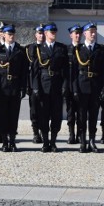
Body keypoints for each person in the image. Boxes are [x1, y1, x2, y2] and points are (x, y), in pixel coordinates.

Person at [30, 23, 69, 152]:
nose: (53, 33)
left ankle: (53, 142)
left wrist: (64, 86)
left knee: (56, 115)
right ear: (45, 33)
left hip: (57, 85)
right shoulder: (38, 49)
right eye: (51, 31)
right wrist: (35, 87)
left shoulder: (61, 48)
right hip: (43, 85)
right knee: (43, 115)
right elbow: (35, 71)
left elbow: (65, 70)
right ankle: (45, 142)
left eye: (54, 31)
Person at [0, 24, 28, 152]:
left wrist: (23, 88)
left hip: (15, 87)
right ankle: (4, 141)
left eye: (13, 34)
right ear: (4, 35)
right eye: (9, 34)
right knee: (2, 115)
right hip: (2, 87)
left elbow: (24, 72)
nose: (11, 36)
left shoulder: (20, 50)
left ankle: (12, 141)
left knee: (13, 115)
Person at [72, 22, 104, 153]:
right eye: (90, 31)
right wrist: (75, 89)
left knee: (93, 116)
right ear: (85, 34)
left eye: (94, 31)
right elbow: (74, 72)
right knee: (81, 116)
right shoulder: (78, 49)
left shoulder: (100, 50)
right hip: (82, 86)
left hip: (96, 87)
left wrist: (103, 89)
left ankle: (92, 141)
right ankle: (82, 141)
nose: (93, 34)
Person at [25, 24, 45, 143]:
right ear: (35, 35)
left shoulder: (48, 48)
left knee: (45, 110)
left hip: (46, 84)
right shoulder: (29, 49)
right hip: (33, 84)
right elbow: (27, 70)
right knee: (34, 110)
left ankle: (44, 132)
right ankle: (35, 133)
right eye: (39, 33)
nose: (41, 35)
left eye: (43, 33)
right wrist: (28, 85)